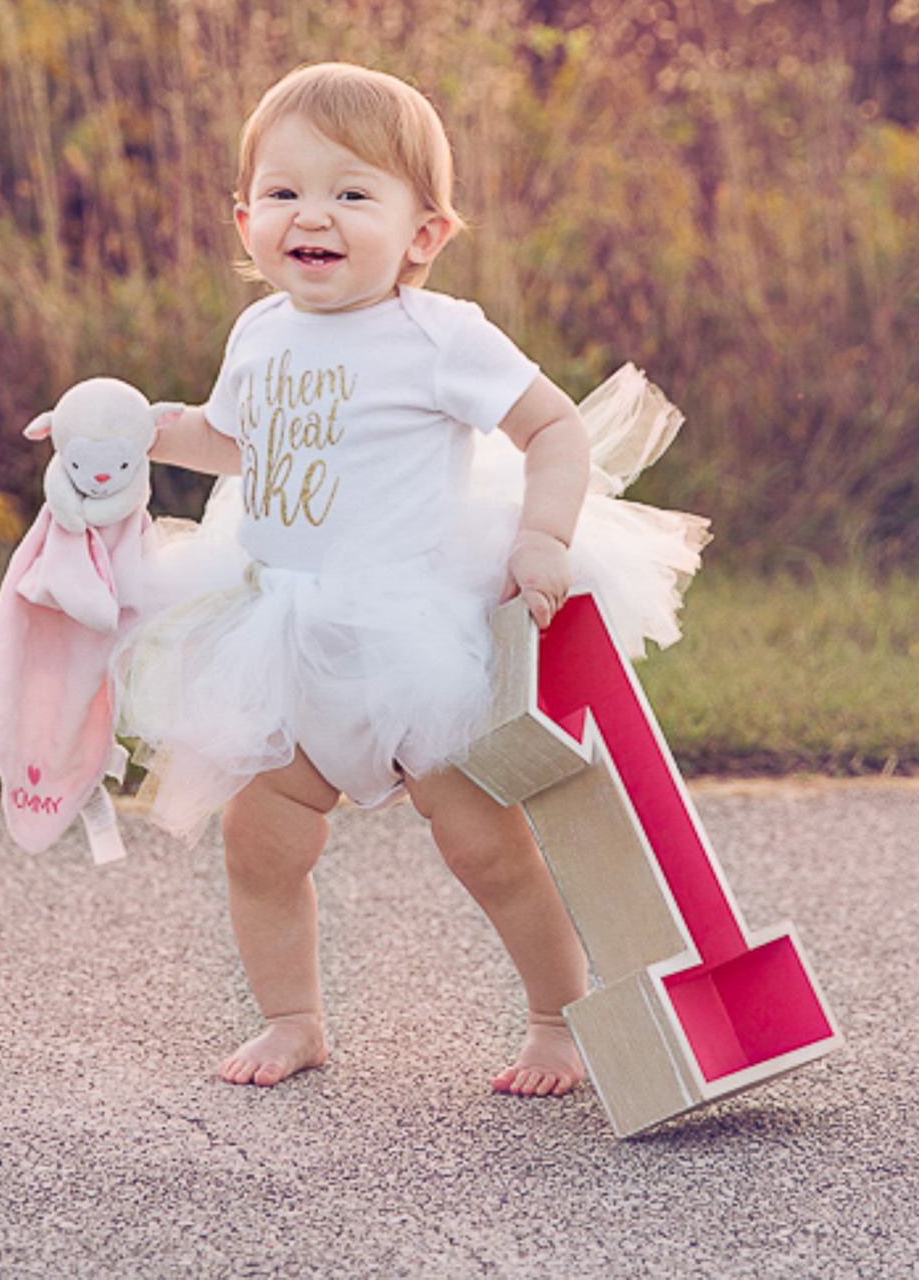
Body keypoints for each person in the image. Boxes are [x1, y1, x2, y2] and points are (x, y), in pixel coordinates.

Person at [96, 61, 711, 1097]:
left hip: (410, 635)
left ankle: (556, 1021)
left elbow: (553, 426)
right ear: (245, 218)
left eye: (352, 193)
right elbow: (241, 444)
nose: (313, 217)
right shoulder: (260, 334)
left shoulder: (441, 337)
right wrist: (141, 432)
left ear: (422, 233)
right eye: (285, 194)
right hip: (284, 635)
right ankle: (293, 1019)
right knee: (260, 837)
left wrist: (542, 537)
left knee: (484, 844)